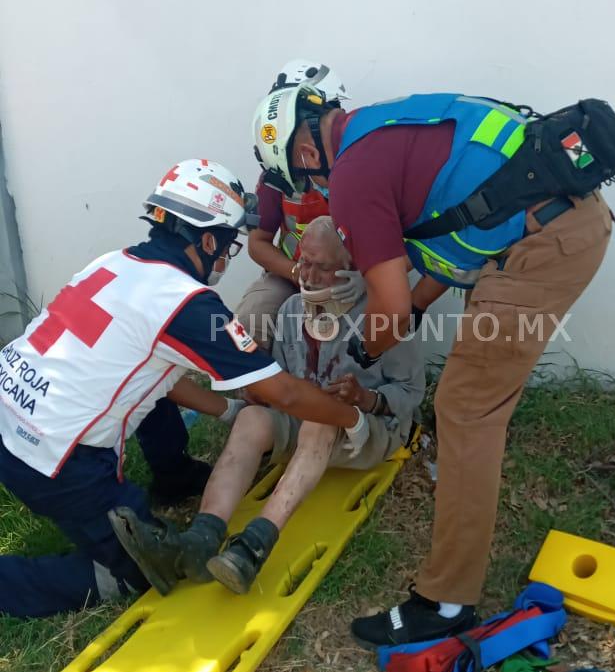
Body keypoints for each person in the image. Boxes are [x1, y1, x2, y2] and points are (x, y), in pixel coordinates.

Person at [253, 84, 615, 648]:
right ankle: (463, 522)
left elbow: (387, 307)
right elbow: (461, 227)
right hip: (556, 225)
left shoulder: (351, 177)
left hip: (545, 247)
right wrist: (420, 305)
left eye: (306, 183)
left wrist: (367, 350)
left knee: (465, 408)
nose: (315, 191)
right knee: (475, 398)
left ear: (303, 156)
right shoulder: (384, 126)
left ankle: (446, 603)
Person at [0, 160, 369, 617]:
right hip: (55, 460)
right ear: (207, 240)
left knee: (147, 382)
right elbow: (287, 395)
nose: (225, 256)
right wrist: (352, 418)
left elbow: (158, 377)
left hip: (9, 416)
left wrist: (230, 412)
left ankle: (172, 477)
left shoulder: (114, 263)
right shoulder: (186, 303)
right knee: (142, 571)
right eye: (227, 245)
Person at [111, 216, 425, 596]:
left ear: (350, 268)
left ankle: (253, 546)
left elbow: (411, 393)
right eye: (303, 262)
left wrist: (366, 399)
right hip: (309, 428)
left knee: (321, 421)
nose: (307, 275)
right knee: (254, 419)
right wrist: (256, 396)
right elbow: (284, 385)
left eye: (321, 267)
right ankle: (200, 538)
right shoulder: (292, 310)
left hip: (367, 433)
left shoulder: (383, 314)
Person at [234, 60, 363, 347]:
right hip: (289, 276)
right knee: (248, 324)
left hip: (353, 280)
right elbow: (258, 243)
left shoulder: (363, 165)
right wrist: (297, 273)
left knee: (362, 331)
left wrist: (366, 279)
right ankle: (252, 387)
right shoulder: (276, 174)